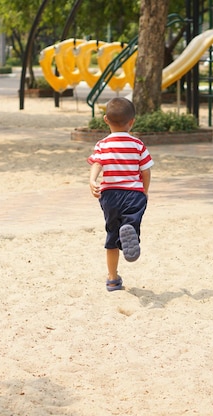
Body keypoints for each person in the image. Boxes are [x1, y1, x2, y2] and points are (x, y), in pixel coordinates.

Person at [88, 97, 154, 292]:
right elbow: (146, 171)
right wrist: (145, 191)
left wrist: (92, 180)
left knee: (112, 234)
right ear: (132, 121)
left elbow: (97, 163)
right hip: (133, 193)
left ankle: (112, 278)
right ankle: (130, 228)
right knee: (131, 220)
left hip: (109, 195)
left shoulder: (102, 145)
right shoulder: (137, 144)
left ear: (106, 119)